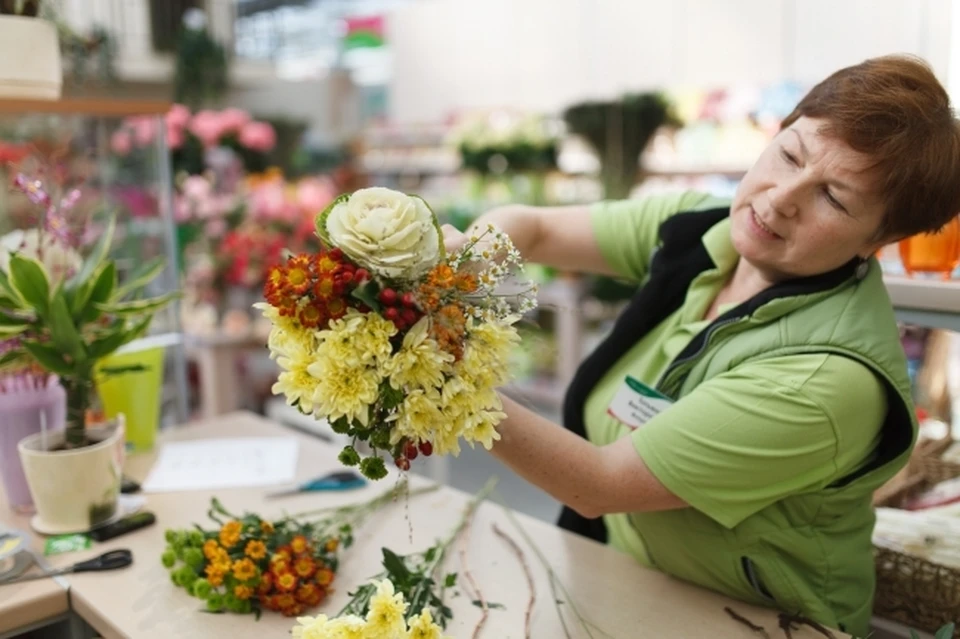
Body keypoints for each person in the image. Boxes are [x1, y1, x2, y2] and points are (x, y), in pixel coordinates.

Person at [442, 54, 960, 636]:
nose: (781, 197)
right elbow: (532, 227)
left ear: (882, 239)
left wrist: (443, 384)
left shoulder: (824, 381)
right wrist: (464, 266)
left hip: (756, 623)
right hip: (631, 582)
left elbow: (599, 485)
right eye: (790, 154)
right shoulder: (706, 231)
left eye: (833, 198)